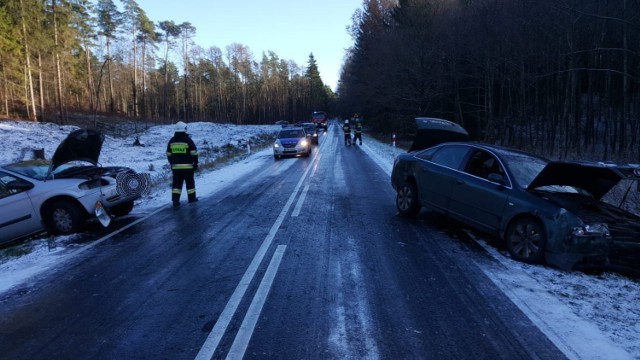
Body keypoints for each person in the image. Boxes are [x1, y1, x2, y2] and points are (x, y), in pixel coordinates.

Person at [166, 121, 199, 207]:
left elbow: (169, 154)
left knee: (176, 184)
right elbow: (194, 153)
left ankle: (175, 200)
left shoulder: (172, 141)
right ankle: (192, 199)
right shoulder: (188, 140)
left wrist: (172, 163)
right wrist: (195, 163)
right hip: (188, 167)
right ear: (185, 129)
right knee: (190, 183)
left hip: (176, 168)